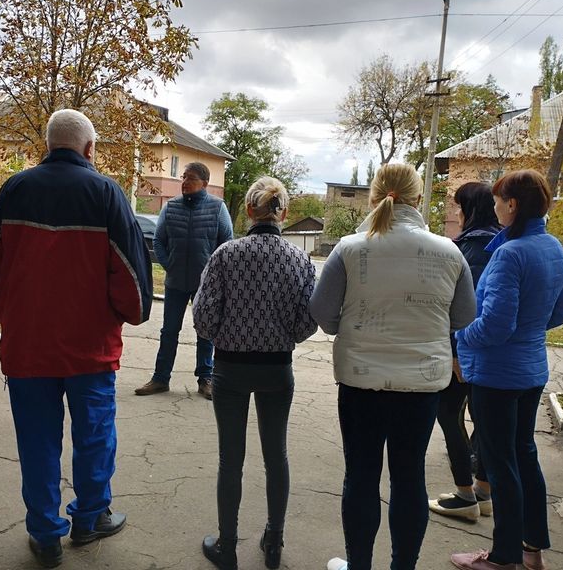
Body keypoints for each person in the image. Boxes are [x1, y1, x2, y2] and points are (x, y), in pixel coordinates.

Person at [0, 109, 153, 569]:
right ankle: (90, 518)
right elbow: (132, 275)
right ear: (90, 148)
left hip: (28, 346)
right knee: (94, 437)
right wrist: (128, 315)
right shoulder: (106, 193)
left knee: (36, 442)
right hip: (89, 348)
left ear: (48, 144)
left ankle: (45, 535)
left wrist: (2, 313)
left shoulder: (15, 189)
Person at [309, 163, 477, 570]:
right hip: (421, 387)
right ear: (420, 198)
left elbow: (323, 313)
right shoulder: (448, 250)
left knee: (361, 478)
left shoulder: (350, 248)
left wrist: (349, 325)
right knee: (409, 479)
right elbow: (464, 316)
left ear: (374, 195)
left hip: (360, 384)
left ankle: (359, 565)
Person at [193, 177, 317, 570]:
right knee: (275, 456)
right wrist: (281, 337)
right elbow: (306, 322)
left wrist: (227, 334)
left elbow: (203, 317)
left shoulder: (226, 255)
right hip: (277, 369)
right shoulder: (299, 260)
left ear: (248, 211)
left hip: (229, 368)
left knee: (231, 460)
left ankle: (226, 547)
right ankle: (274, 543)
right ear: (284, 214)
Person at [451, 170, 563, 570]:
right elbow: (560, 312)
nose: (496, 206)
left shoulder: (510, 253)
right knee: (524, 457)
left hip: (497, 376)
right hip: (531, 371)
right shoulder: (552, 246)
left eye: (501, 200)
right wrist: (528, 329)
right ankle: (531, 550)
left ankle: (503, 558)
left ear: (513, 206)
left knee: (501, 466)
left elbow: (493, 326)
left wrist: (459, 335)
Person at [429, 182, 501, 521]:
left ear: (469, 209)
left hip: (466, 352)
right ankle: (485, 491)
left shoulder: (471, 249)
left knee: (449, 414)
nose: (455, 213)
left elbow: (465, 309)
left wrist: (457, 353)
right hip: (498, 353)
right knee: (485, 420)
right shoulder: (502, 242)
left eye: (458, 206)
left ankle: (465, 494)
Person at [135, 161, 233, 400]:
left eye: (190, 178)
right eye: (183, 177)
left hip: (205, 284)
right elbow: (158, 241)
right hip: (176, 282)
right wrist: (170, 265)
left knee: (205, 332)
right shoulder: (171, 208)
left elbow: (226, 243)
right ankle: (160, 378)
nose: (185, 183)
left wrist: (213, 274)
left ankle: (205, 379)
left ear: (204, 183)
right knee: (169, 331)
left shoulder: (218, 208)